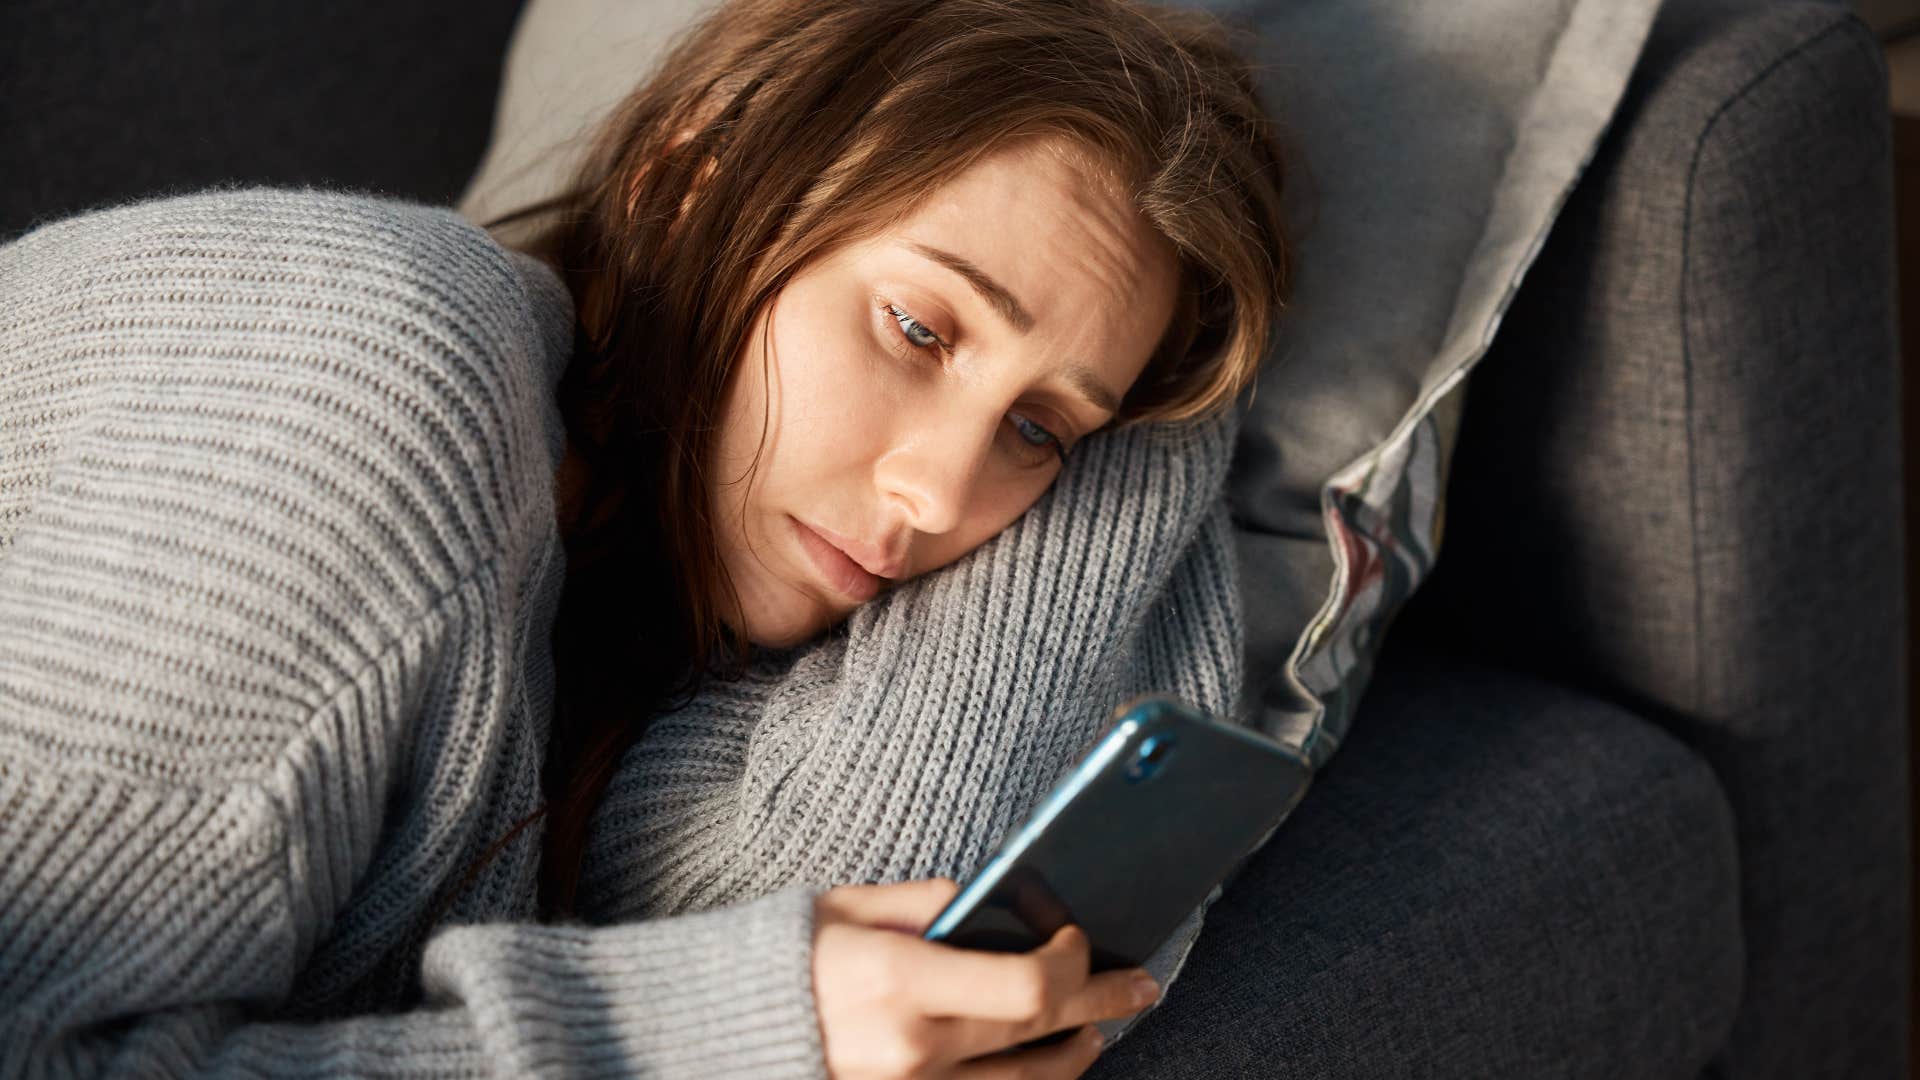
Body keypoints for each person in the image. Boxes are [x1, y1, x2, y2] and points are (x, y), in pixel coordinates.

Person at [0, 0, 1289, 1076]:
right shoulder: (373, 384)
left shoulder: (647, 658)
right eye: (917, 328)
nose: (940, 498)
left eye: (1038, 433)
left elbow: (861, 884)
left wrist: (1152, 420)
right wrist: (702, 1040)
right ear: (690, 183)